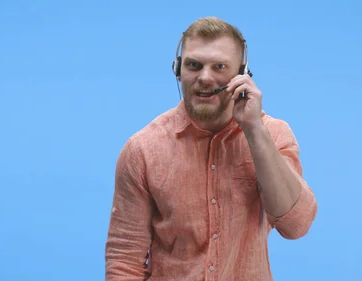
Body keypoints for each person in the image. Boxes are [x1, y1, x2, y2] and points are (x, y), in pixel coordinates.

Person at [105, 16, 318, 280]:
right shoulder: (142, 150)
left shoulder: (272, 135)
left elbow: (296, 225)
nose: (205, 77)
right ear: (178, 69)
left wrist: (253, 130)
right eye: (194, 65)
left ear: (241, 74)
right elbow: (124, 258)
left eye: (219, 66)